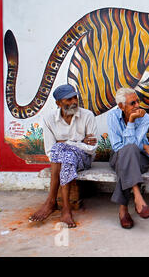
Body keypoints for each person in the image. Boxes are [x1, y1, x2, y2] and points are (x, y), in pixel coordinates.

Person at [28, 84, 98, 228]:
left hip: (84, 159)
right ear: (58, 103)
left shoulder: (87, 116)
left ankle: (51, 201)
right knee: (64, 155)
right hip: (61, 159)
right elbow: (49, 151)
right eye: (68, 99)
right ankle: (65, 208)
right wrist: (79, 141)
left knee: (61, 148)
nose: (73, 102)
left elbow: (91, 148)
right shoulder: (49, 119)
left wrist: (67, 143)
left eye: (74, 97)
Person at [107, 88, 149, 229]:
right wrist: (131, 122)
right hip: (118, 156)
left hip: (140, 158)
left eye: (137, 101)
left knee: (128, 157)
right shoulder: (112, 116)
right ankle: (138, 196)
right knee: (126, 154)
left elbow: (133, 145)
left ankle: (123, 210)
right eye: (132, 103)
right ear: (121, 106)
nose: (137, 105)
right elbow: (118, 147)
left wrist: (140, 146)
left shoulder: (144, 117)